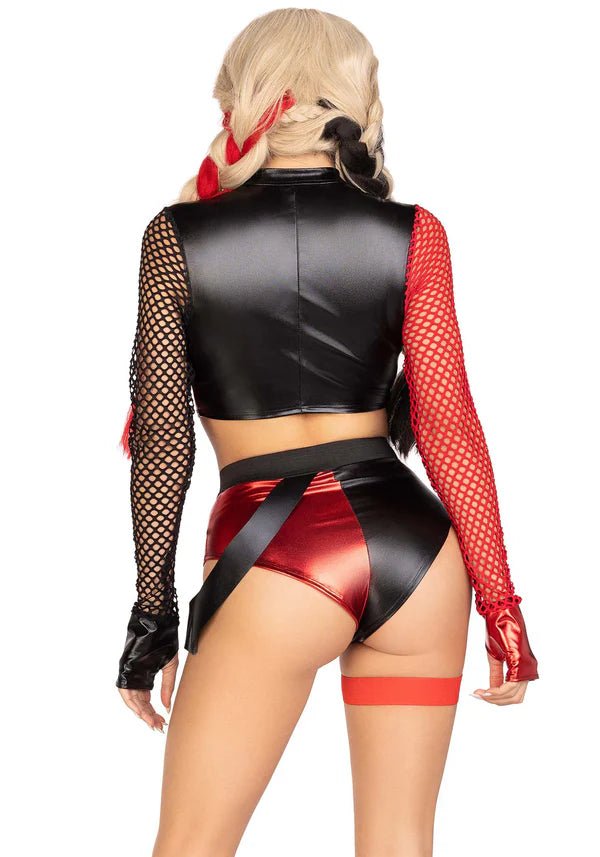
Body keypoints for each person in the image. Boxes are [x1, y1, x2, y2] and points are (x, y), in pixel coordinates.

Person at [115, 8, 539, 857]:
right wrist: (501, 604)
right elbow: (450, 421)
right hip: (417, 558)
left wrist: (151, 618)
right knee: (399, 842)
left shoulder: (177, 237)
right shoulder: (413, 232)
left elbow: (163, 439)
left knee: (191, 844)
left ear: (240, 95)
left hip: (280, 555)